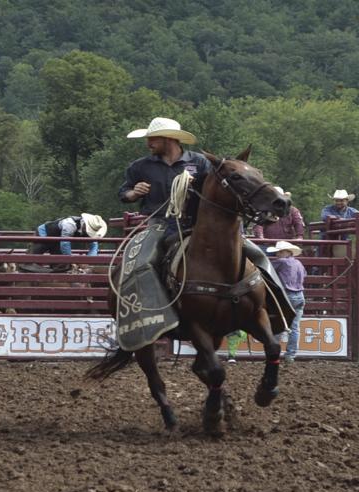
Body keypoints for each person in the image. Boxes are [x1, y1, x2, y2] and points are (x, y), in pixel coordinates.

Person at [115, 116, 289, 328]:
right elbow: (124, 193)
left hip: (198, 223)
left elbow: (221, 189)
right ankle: (142, 317)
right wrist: (134, 193)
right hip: (160, 223)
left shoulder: (199, 162)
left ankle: (278, 310)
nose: (148, 143)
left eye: (153, 138)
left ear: (169, 139)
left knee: (257, 254)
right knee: (142, 262)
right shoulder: (140, 167)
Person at [268, 241, 307, 361]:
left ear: (287, 252)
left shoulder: (281, 262)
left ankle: (273, 354)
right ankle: (290, 355)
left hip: (287, 295)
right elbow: (304, 275)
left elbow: (267, 269)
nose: (277, 254)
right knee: (294, 327)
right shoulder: (298, 263)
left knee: (279, 324)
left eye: (279, 252)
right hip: (300, 296)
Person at [30, 213, 107, 257]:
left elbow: (94, 245)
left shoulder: (87, 231)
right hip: (44, 234)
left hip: (57, 241)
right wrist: (71, 260)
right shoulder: (70, 224)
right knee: (31, 259)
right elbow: (65, 243)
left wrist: (88, 261)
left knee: (61, 265)